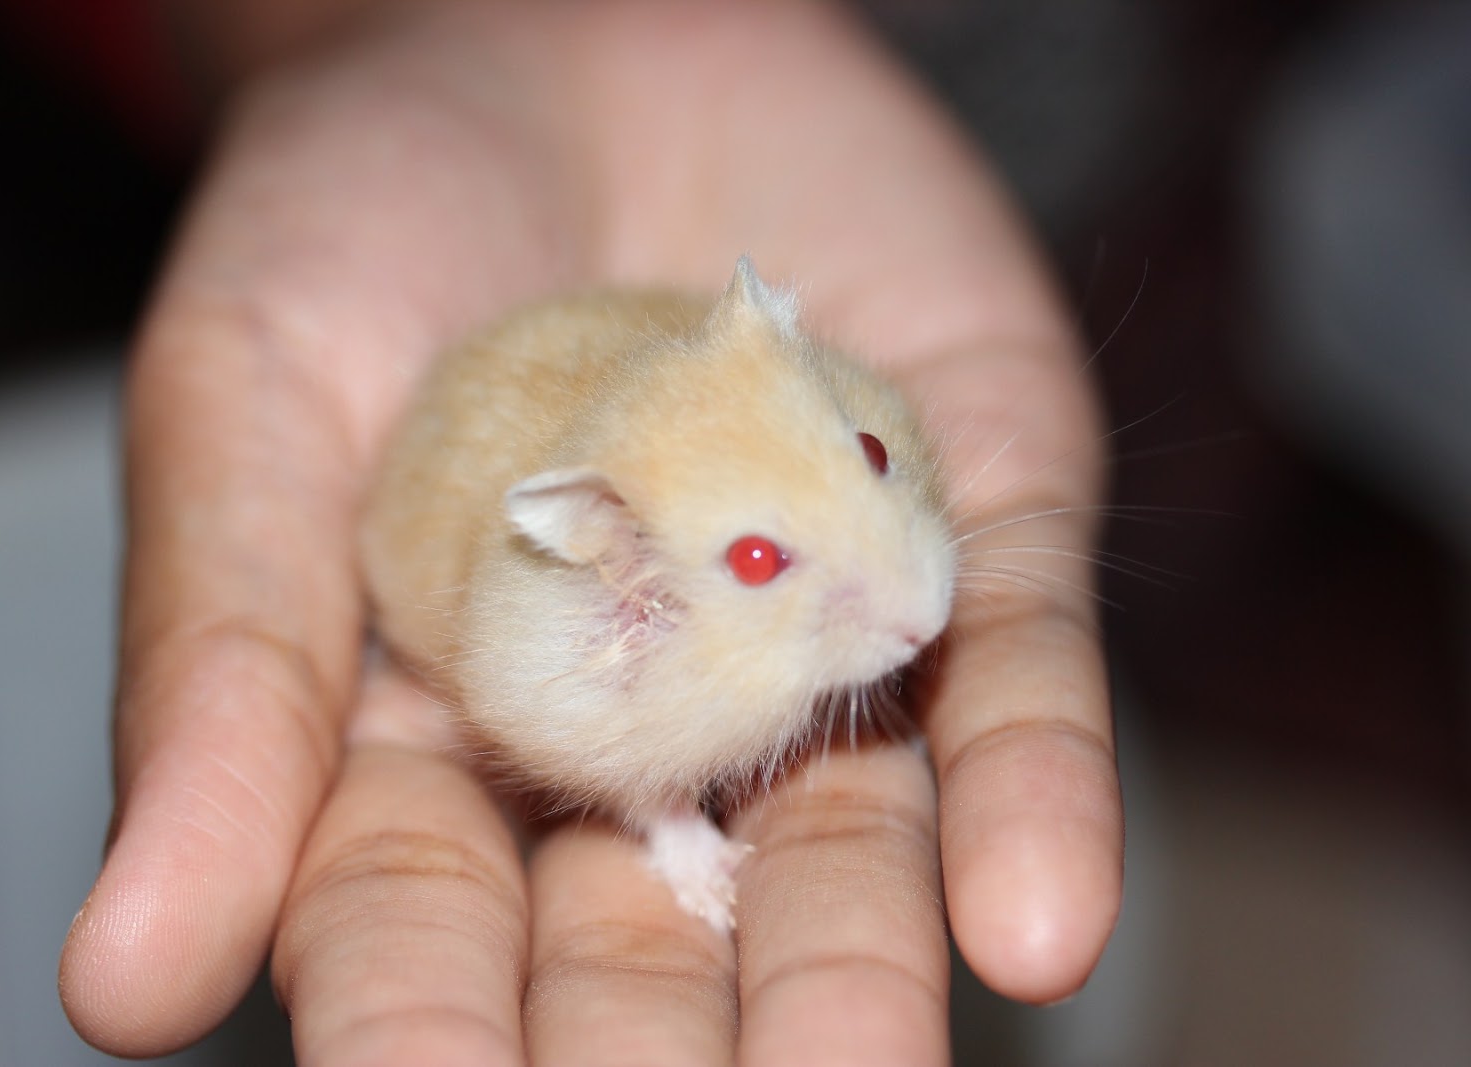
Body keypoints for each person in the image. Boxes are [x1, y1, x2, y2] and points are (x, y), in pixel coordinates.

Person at [56, 2, 1123, 1061]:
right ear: (612, 552)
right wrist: (670, 818)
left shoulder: (782, 385)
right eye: (758, 559)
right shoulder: (579, 586)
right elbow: (531, 701)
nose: (917, 601)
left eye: (872, 459)